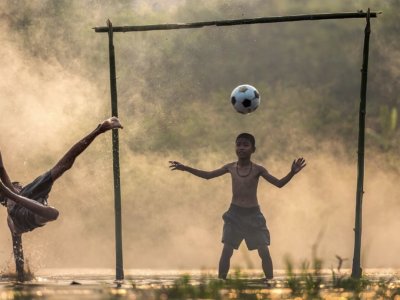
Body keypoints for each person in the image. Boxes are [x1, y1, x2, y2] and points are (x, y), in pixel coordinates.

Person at [169, 133, 306, 283]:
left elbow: (279, 183)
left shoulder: (258, 169)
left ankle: (269, 280)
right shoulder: (230, 167)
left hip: (254, 215)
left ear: (253, 149)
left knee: (264, 250)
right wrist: (185, 168)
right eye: (238, 144)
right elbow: (208, 175)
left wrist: (292, 172)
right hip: (234, 215)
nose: (241, 148)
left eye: (245, 145)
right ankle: (221, 281)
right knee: (227, 250)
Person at [0, 117, 123, 281]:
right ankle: (99, 129)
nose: (19, 184)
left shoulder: (29, 191)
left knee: (59, 178)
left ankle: (99, 129)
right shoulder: (12, 204)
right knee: (51, 211)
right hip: (22, 210)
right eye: (17, 185)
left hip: (28, 205)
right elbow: (2, 169)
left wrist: (99, 130)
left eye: (18, 185)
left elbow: (66, 162)